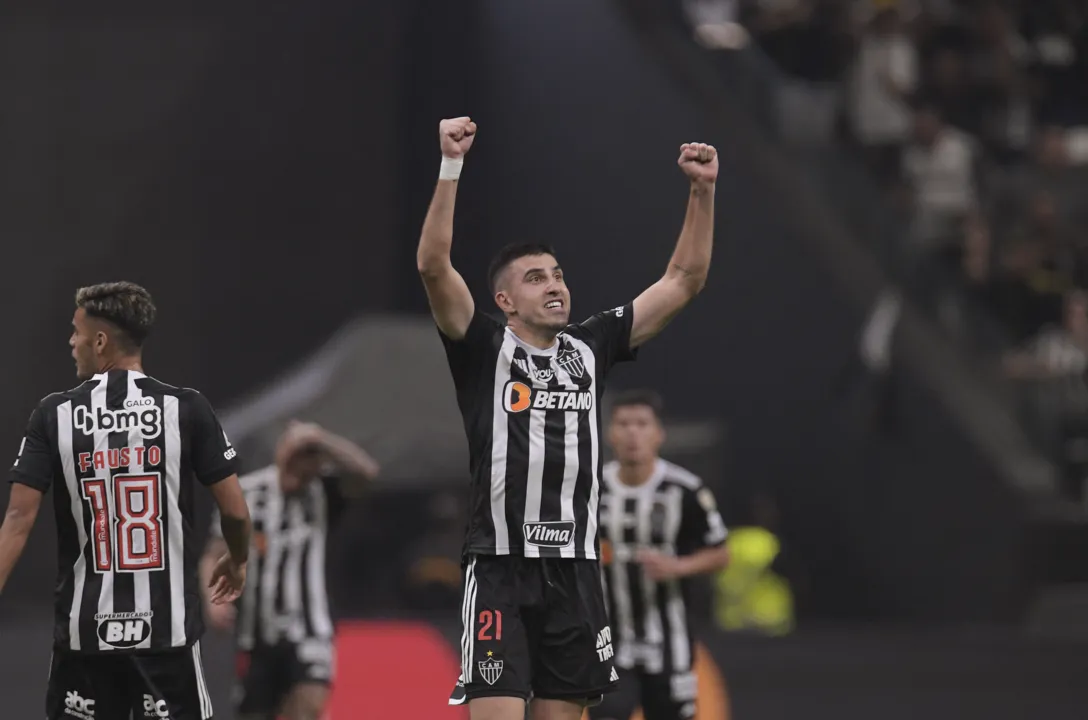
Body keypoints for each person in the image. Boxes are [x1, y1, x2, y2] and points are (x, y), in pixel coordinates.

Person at [417, 116, 718, 720]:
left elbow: (683, 280)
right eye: (535, 279)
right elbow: (432, 265)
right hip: (499, 565)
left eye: (557, 274)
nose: (554, 285)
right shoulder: (482, 348)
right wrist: (451, 166)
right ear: (504, 302)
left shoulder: (591, 345)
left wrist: (702, 191)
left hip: (576, 570)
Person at [0, 281, 251, 720]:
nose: (71, 342)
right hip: (165, 636)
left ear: (100, 341)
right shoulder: (186, 409)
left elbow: (18, 521)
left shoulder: (54, 415)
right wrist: (238, 557)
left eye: (76, 332)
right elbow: (234, 511)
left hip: (85, 640)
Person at [201, 420, 379, 720]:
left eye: (310, 457)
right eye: (296, 454)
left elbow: (367, 473)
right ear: (281, 451)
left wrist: (322, 440)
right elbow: (213, 553)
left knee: (309, 705)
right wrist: (211, 598)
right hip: (256, 634)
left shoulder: (323, 491)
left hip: (309, 630)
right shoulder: (247, 491)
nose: (301, 463)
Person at [591, 390, 729, 720]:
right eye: (624, 424)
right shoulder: (590, 488)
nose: (632, 433)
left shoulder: (685, 490)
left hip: (670, 641)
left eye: (641, 424)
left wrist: (679, 566)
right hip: (609, 641)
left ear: (658, 434)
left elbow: (721, 553)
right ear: (610, 433)